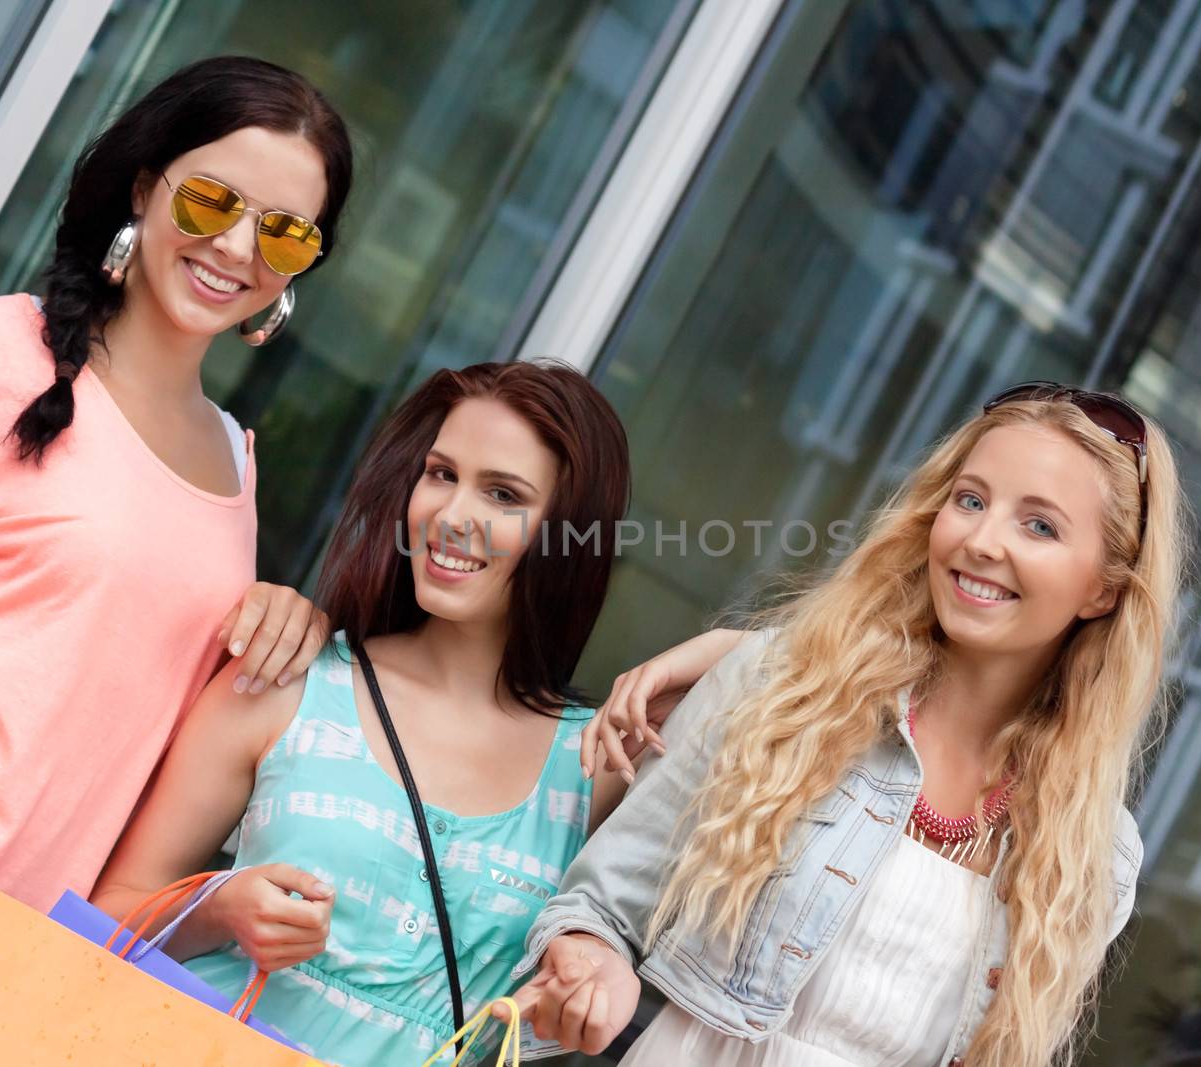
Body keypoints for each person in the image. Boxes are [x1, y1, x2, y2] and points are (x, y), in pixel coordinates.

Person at [0, 55, 353, 1059]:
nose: (237, 247)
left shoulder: (239, 465)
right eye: (211, 199)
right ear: (148, 185)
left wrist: (294, 619)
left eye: (284, 232)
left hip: (3, 965)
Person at [512, 383, 1192, 1067]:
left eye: (1039, 525)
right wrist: (593, 967)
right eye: (971, 500)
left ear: (1104, 586)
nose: (982, 540)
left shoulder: (1094, 854)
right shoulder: (781, 688)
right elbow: (601, 905)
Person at [92, 359, 744, 1065]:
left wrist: (692, 658)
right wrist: (218, 908)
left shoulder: (594, 767)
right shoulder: (290, 680)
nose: (452, 515)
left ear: (568, 535)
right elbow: (106, 913)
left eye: (502, 494)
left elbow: (808, 664)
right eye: (440, 474)